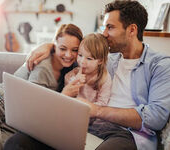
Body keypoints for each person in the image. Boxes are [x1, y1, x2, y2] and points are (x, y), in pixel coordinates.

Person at [26, 1, 170, 150]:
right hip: (88, 124)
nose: (104, 33)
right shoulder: (106, 58)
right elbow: (77, 55)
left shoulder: (159, 65)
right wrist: (51, 47)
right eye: (104, 27)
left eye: (110, 27)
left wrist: (96, 110)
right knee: (22, 141)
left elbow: (156, 117)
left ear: (132, 30)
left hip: (125, 133)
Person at [0, 23, 83, 150]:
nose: (68, 55)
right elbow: (32, 110)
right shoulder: (43, 66)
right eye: (63, 48)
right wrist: (64, 95)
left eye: (75, 50)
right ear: (54, 45)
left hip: (11, 123)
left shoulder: (71, 68)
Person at [4, 33, 113, 150]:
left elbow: (101, 107)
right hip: (67, 123)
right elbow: (64, 104)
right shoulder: (71, 75)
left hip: (91, 127)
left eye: (89, 58)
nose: (82, 62)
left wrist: (84, 108)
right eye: (80, 55)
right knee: (14, 142)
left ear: (100, 61)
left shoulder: (105, 79)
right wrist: (74, 83)